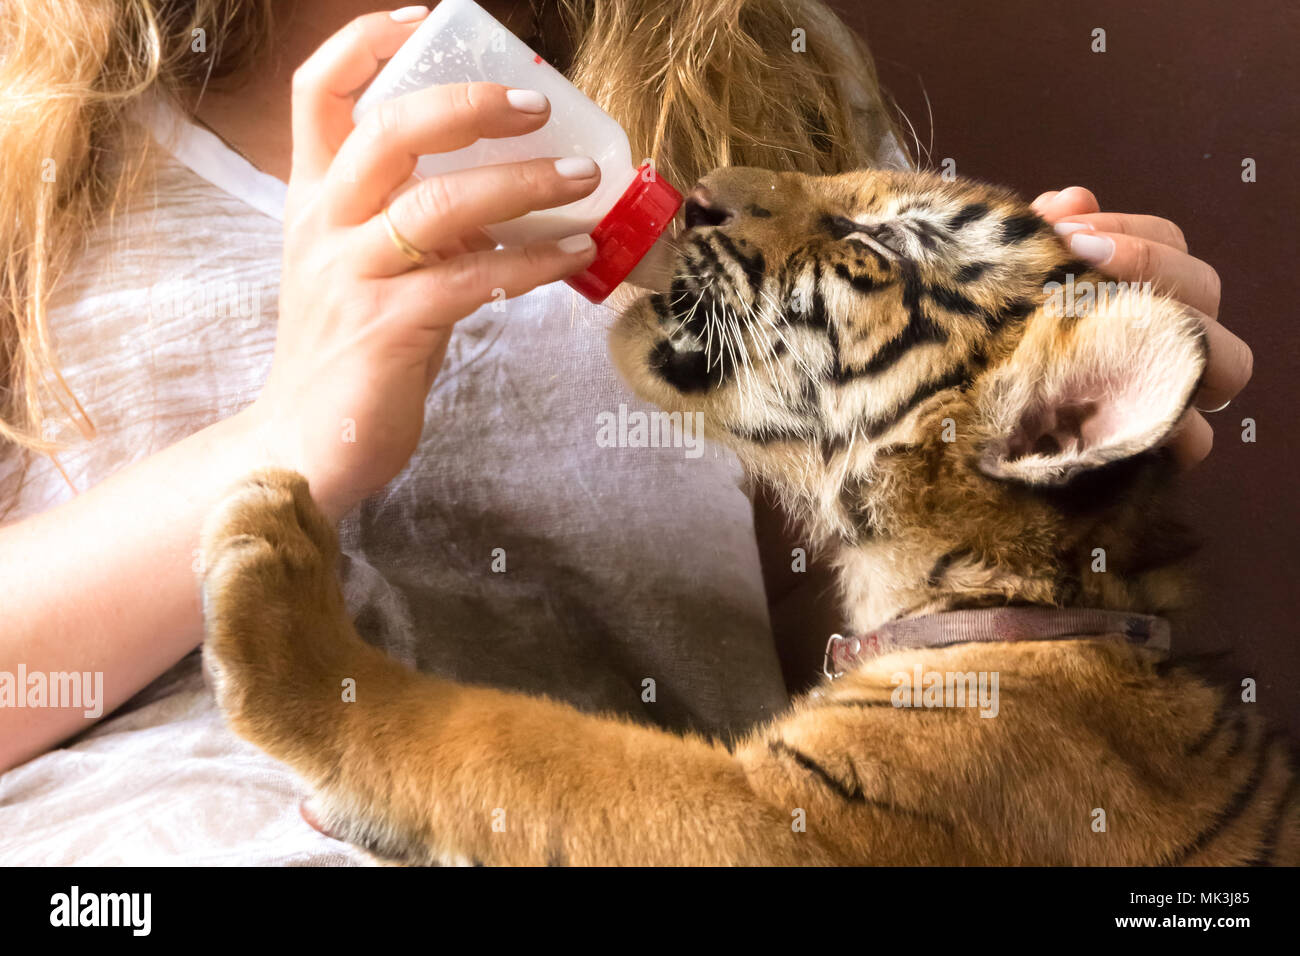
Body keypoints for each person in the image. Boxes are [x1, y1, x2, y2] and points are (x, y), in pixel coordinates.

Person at [0, 1, 1250, 864]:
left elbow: (859, 673)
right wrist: (290, 434)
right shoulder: (25, 100)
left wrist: (1034, 522)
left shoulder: (760, 58)